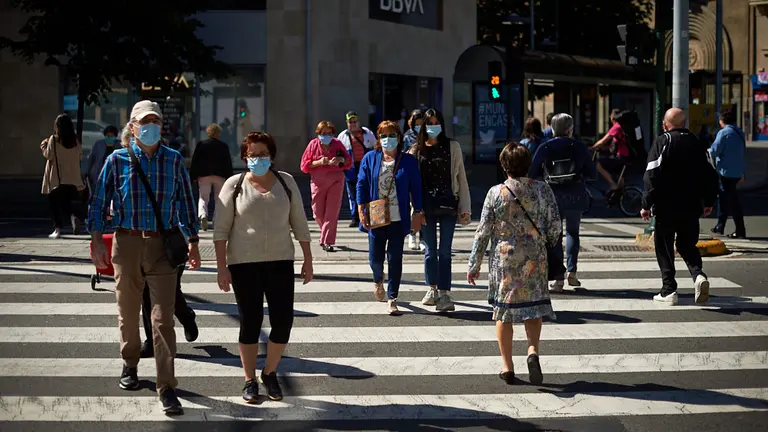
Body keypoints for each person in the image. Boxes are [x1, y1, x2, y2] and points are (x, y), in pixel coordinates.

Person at [88, 100, 201, 415]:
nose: (150, 127)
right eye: (143, 121)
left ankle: (167, 386)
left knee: (162, 319)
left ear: (161, 126)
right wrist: (96, 239)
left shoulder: (174, 160)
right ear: (132, 126)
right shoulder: (117, 159)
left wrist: (193, 241)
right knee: (127, 311)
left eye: (155, 121)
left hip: (162, 247)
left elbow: (187, 202)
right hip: (127, 243)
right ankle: (130, 363)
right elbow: (99, 201)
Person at [214, 132, 313, 403]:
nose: (258, 159)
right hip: (244, 264)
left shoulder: (286, 181)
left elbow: (300, 223)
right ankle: (249, 380)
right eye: (253, 154)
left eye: (263, 154)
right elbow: (220, 230)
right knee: (251, 321)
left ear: (272, 155)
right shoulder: (234, 185)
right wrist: (221, 267)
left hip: (280, 261)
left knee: (283, 322)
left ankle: (269, 372)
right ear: (244, 157)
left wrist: (308, 258)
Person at [468, 142, 560, 385]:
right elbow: (555, 226)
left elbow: (483, 232)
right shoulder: (543, 190)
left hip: (505, 259)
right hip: (535, 257)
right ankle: (532, 351)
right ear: (528, 164)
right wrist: (547, 240)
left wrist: (474, 264)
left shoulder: (496, 192)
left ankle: (507, 366)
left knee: (504, 312)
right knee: (534, 307)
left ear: (504, 165)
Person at [641, 108, 719, 306]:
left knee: (664, 245)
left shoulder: (663, 141)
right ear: (684, 124)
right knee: (686, 245)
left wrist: (646, 203)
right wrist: (709, 201)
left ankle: (669, 290)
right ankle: (698, 275)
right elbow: (710, 175)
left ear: (666, 124)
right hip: (691, 206)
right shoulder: (697, 143)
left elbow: (652, 174)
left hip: (666, 205)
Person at [356, 120, 424, 315]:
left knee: (395, 258)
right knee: (375, 259)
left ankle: (393, 297)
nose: (388, 139)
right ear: (378, 138)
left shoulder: (408, 161)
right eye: (384, 135)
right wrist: (361, 209)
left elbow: (416, 188)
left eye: (392, 135)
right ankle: (378, 279)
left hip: (398, 218)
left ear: (399, 137)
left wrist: (418, 212)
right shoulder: (371, 158)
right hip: (377, 216)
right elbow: (361, 184)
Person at [408, 109, 471, 312]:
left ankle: (444, 293)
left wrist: (465, 207)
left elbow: (461, 177)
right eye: (429, 123)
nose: (433, 126)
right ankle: (432, 288)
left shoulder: (452, 147)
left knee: (445, 251)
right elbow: (410, 182)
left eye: (437, 122)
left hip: (447, 204)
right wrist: (414, 209)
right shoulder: (416, 150)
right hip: (425, 206)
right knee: (430, 251)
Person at [529, 113, 597, 291]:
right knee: (572, 232)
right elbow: (592, 174)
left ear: (552, 128)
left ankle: (558, 278)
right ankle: (572, 272)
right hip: (575, 193)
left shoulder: (545, 146)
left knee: (555, 236)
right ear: (569, 129)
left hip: (552, 196)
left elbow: (532, 172)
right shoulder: (579, 147)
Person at [301, 121, 353, 252]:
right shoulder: (313, 145)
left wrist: (341, 160)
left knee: (332, 212)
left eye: (329, 133)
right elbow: (304, 166)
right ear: (318, 134)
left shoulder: (337, 144)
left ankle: (326, 241)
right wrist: (320, 162)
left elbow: (348, 161)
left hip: (336, 180)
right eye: (324, 133)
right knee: (317, 213)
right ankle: (325, 233)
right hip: (318, 182)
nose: (327, 136)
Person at [41, 114, 87, 238]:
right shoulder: (75, 140)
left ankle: (57, 230)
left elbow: (49, 155)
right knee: (66, 204)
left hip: (57, 179)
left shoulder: (54, 140)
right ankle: (76, 216)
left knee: (54, 204)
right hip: (72, 179)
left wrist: (43, 146)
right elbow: (79, 157)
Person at [710, 108, 747, 239]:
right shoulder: (739, 132)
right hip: (737, 171)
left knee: (730, 201)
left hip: (725, 171)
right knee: (726, 199)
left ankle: (740, 230)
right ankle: (720, 226)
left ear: (722, 120)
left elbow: (714, 151)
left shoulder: (723, 133)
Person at [189, 123, 234, 230]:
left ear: (208, 132)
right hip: (220, 175)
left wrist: (193, 175)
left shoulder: (202, 144)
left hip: (204, 175)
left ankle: (203, 215)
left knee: (203, 197)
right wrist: (229, 177)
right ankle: (216, 221)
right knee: (219, 199)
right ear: (219, 133)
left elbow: (195, 161)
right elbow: (227, 162)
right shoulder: (223, 146)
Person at [337, 111, 377, 227]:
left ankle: (369, 215)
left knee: (369, 191)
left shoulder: (367, 133)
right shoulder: (342, 136)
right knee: (353, 194)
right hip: (351, 168)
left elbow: (375, 147)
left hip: (365, 167)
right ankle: (355, 217)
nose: (353, 124)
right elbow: (339, 153)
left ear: (358, 121)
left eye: (355, 121)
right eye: (350, 122)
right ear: (347, 123)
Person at [591, 108, 631, 193]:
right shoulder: (623, 126)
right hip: (626, 156)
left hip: (621, 157)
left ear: (613, 117)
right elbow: (614, 145)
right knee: (619, 174)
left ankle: (612, 185)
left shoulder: (617, 126)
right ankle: (621, 194)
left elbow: (603, 141)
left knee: (599, 164)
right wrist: (603, 148)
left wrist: (591, 148)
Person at [403, 109, 425, 251]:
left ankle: (423, 238)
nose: (419, 126)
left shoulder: (428, 136)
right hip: (412, 174)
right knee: (413, 207)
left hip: (425, 174)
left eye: (421, 123)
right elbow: (403, 154)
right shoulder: (408, 137)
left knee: (423, 208)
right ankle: (412, 234)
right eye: (417, 123)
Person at [85, 125, 119, 191]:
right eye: (108, 136)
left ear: (115, 136)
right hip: (99, 174)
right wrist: (87, 171)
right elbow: (91, 158)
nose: (109, 138)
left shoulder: (119, 145)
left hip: (114, 175)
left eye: (112, 136)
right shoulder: (98, 144)